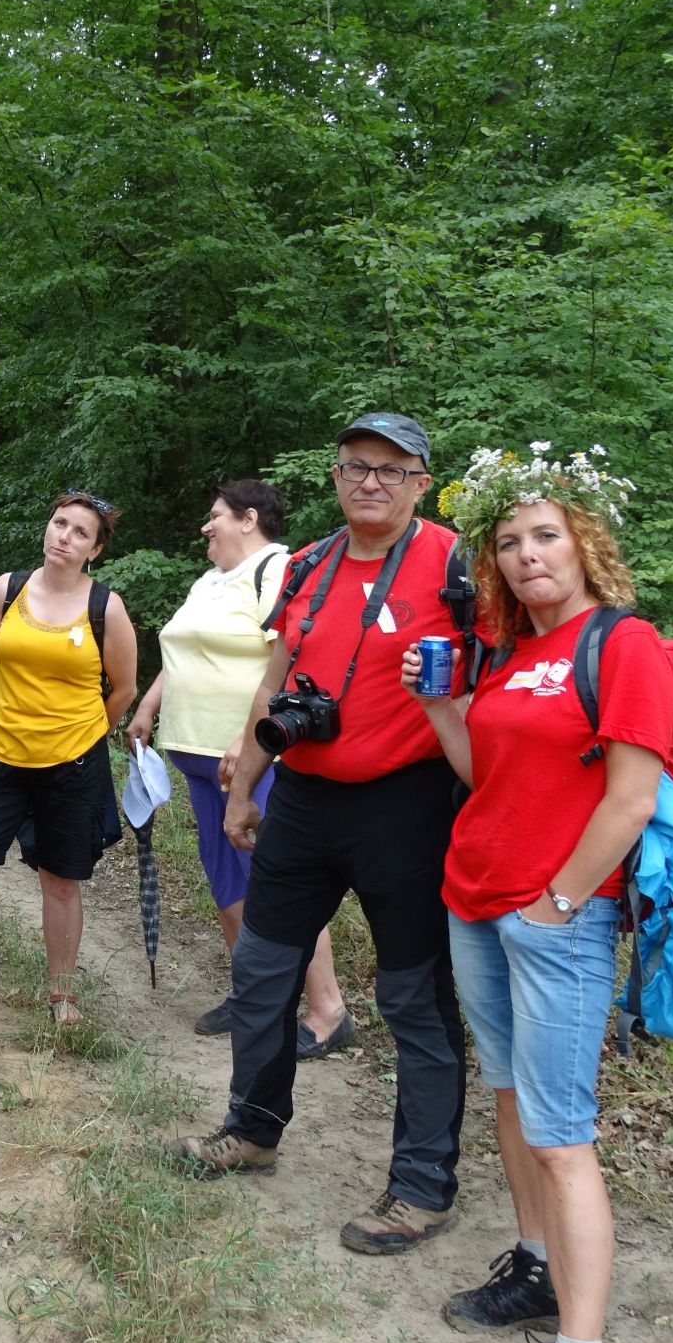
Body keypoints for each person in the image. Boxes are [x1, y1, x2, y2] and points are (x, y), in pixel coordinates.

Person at [172, 412, 468, 1258]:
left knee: (413, 998)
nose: (370, 481)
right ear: (334, 476)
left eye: (391, 468)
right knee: (263, 971)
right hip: (303, 796)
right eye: (355, 466)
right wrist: (245, 784)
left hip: (406, 805)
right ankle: (251, 1130)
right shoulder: (307, 564)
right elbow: (276, 680)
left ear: (421, 483)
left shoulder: (457, 566)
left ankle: (422, 1187)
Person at [405, 445, 664, 1343]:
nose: (526, 556)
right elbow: (488, 777)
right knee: (512, 1101)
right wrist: (442, 707)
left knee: (561, 1135)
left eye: (545, 535)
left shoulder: (621, 644)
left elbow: (631, 799)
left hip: (558, 919)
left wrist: (558, 902)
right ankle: (534, 1266)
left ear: (584, 543)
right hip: (476, 903)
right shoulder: (516, 657)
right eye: (509, 543)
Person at [127, 480, 355, 1050]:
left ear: (248, 519)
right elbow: (183, 653)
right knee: (226, 878)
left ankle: (328, 1012)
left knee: (280, 881)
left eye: (216, 516)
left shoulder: (278, 571)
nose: (206, 526)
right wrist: (148, 707)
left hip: (251, 761)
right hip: (196, 755)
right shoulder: (209, 581)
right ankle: (252, 995)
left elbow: (296, 659)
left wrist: (249, 737)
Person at [0, 491, 139, 1048]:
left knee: (59, 880)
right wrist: (5, 716)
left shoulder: (106, 607)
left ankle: (62, 995)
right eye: (59, 523)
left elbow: (124, 689)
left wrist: (84, 734)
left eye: (79, 532)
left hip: (71, 764)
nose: (64, 536)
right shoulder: (8, 589)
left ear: (94, 550)